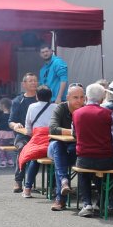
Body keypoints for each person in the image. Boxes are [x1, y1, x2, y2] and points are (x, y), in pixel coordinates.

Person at [72, 81, 113, 217]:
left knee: (83, 173)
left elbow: (74, 134)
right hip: (105, 159)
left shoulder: (76, 113)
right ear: (102, 98)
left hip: (84, 158)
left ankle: (87, 204)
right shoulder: (109, 114)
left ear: (86, 97)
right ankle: (102, 201)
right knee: (110, 173)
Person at [48, 82, 85, 211]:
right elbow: (53, 129)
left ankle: (63, 186)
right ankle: (61, 194)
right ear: (68, 97)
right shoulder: (61, 108)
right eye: (75, 97)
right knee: (58, 146)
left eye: (82, 97)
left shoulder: (86, 110)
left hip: (74, 149)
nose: (79, 100)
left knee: (62, 159)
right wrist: (75, 131)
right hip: (54, 148)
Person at [17, 86, 55, 195]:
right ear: (50, 97)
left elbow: (28, 128)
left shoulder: (32, 107)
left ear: (37, 96)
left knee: (34, 159)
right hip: (52, 140)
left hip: (37, 139)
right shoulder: (56, 107)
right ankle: (52, 188)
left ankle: (27, 188)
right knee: (54, 159)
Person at [4, 73, 39, 190]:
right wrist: (16, 125)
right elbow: (10, 122)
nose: (34, 83)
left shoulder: (42, 98)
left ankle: (53, 185)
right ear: (24, 84)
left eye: (35, 80)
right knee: (23, 149)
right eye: (30, 81)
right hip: (23, 135)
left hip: (39, 135)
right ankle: (18, 180)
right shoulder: (17, 101)